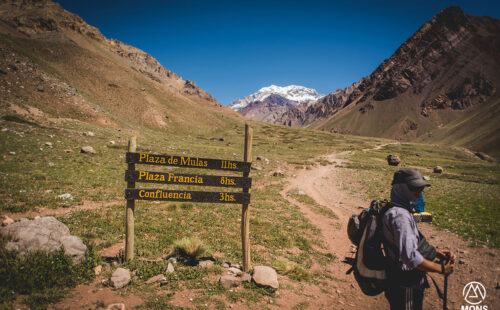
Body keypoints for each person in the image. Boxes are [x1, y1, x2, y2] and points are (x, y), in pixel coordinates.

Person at [382, 168, 456, 310]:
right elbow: (410, 257)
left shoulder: (397, 209)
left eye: (421, 188)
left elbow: (405, 244)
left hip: (399, 280)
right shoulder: (401, 216)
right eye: (414, 188)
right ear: (400, 188)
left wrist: (435, 252)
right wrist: (441, 269)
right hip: (405, 283)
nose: (418, 192)